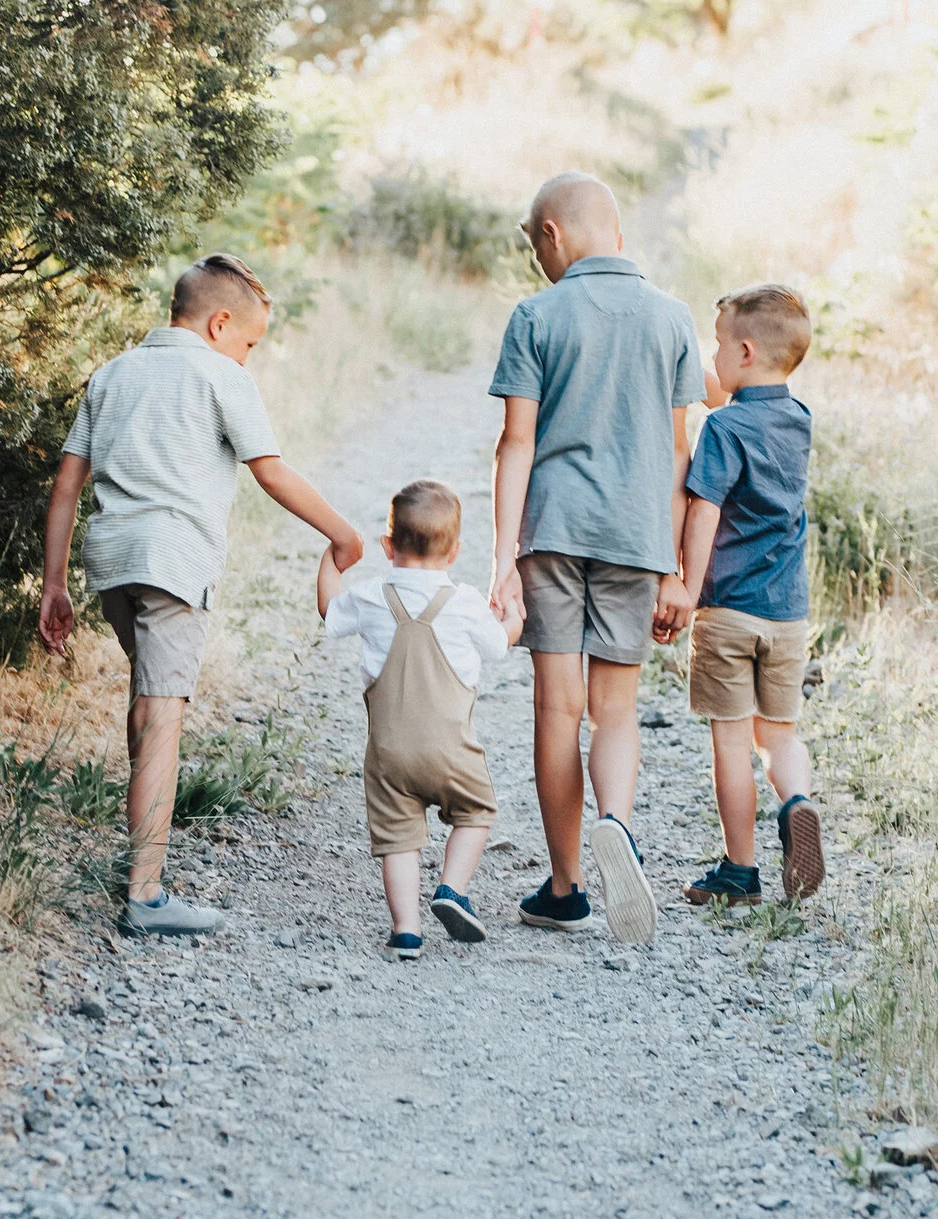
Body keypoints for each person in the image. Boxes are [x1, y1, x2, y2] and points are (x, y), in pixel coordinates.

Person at [37, 254, 364, 938]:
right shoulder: (220, 375)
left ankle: (140, 862)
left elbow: (67, 483)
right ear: (220, 324)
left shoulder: (114, 372)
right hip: (175, 561)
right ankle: (146, 894)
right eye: (249, 344)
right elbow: (271, 474)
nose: (247, 358)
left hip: (112, 562)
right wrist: (343, 533)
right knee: (163, 720)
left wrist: (55, 582)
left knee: (146, 701)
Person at [489, 172, 705, 943]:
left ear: (551, 234)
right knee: (615, 708)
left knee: (558, 707)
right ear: (615, 230)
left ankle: (567, 883)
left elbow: (515, 442)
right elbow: (682, 454)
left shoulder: (537, 315)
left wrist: (504, 556)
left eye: (534, 247)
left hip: (554, 529)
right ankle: (617, 820)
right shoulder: (673, 319)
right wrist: (680, 569)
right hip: (638, 537)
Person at [317, 479, 519, 960]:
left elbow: (329, 612)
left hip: (389, 755)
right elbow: (498, 645)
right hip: (452, 751)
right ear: (454, 553)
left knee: (398, 842)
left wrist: (330, 560)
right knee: (475, 814)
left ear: (388, 546)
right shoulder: (466, 601)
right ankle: (451, 888)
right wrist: (512, 617)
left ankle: (406, 931)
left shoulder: (370, 595)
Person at [670, 284, 825, 907]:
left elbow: (704, 513)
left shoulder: (723, 428)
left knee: (732, 740)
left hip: (730, 609)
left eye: (716, 347)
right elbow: (729, 389)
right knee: (778, 735)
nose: (711, 359)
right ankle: (799, 802)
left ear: (742, 351)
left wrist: (684, 587)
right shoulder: (799, 420)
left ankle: (740, 870)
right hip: (787, 614)